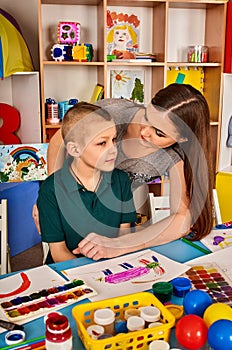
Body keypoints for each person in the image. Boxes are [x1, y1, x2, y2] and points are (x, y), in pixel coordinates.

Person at [39, 83, 214, 260]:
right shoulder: (113, 112)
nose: (144, 131)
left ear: (181, 139)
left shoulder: (175, 155)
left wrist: (122, 245)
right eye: (147, 117)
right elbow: (59, 141)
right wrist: (56, 195)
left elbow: (181, 218)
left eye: (159, 133)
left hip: (111, 220)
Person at [37, 102, 137, 263]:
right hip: (69, 273)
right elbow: (59, 252)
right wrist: (93, 277)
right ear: (75, 150)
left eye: (113, 140)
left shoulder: (121, 180)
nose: (113, 149)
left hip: (112, 268)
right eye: (102, 143)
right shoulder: (50, 190)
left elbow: (123, 237)